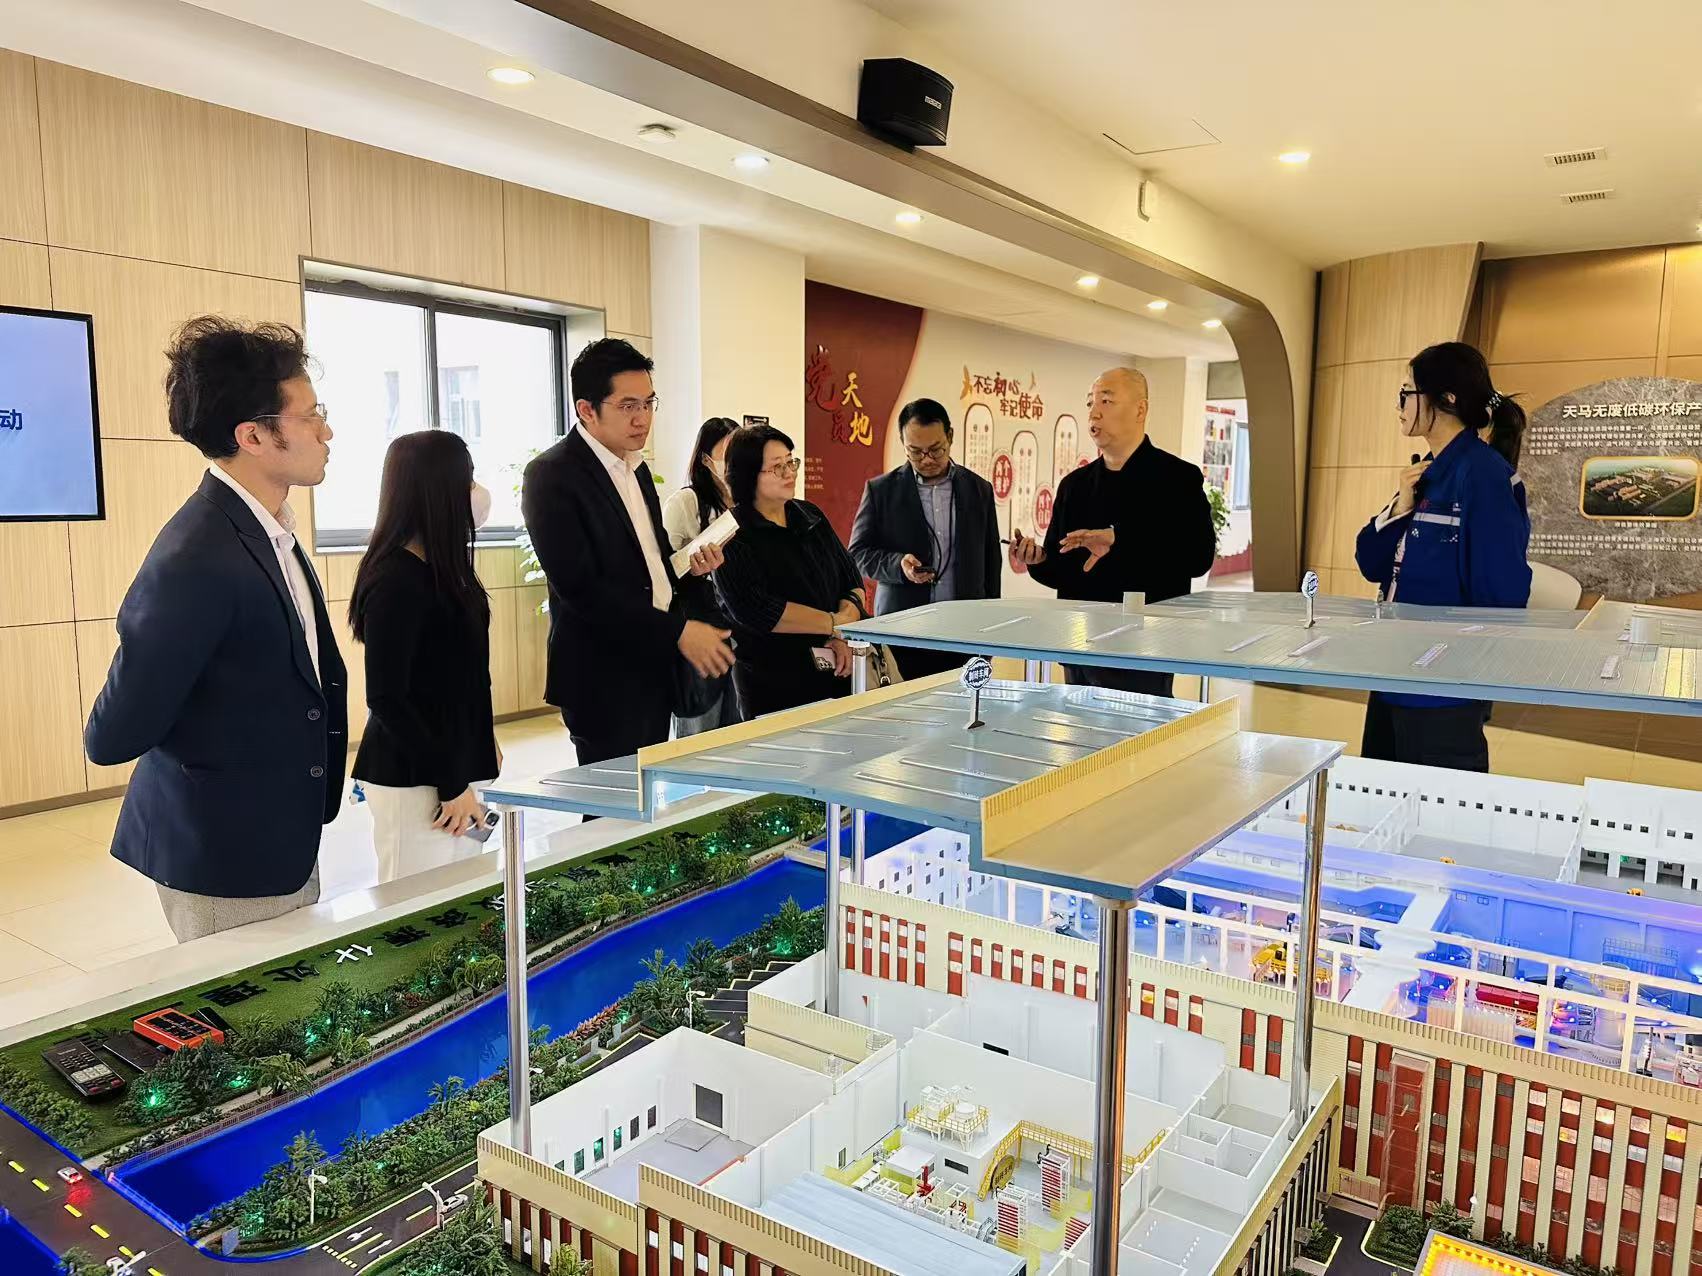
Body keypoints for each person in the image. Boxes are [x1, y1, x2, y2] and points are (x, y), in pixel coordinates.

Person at [84, 317, 346, 942]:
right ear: (253, 435)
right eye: (311, 416)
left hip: (277, 834)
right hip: (222, 850)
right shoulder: (196, 555)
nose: (326, 431)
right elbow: (115, 732)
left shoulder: (267, 530)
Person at [521, 338, 731, 767]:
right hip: (601, 673)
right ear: (586, 409)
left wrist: (690, 569)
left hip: (651, 661)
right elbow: (580, 589)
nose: (643, 418)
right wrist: (678, 631)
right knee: (611, 799)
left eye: (649, 403)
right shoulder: (551, 475)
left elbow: (650, 565)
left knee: (646, 790)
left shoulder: (636, 469)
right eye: (628, 405)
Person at [1355, 341, 1531, 772]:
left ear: (1446, 398)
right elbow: (1370, 562)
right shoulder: (1426, 473)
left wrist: (1465, 668)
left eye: (1406, 393)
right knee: (1378, 798)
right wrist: (1401, 506)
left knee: (1436, 808)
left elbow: (1501, 597)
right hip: (1393, 674)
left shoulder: (1484, 477)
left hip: (1443, 689)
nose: (1399, 406)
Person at [1007, 367, 1215, 697]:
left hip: (1146, 648)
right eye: (1090, 403)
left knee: (1141, 728)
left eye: (1106, 401)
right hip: (1080, 645)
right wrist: (1038, 559)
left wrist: (1119, 539)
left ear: (1140, 410)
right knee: (1079, 725)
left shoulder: (1177, 478)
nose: (1094, 412)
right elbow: (1062, 570)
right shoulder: (1075, 486)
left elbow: (1197, 557)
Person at [348, 431, 500, 882]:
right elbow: (388, 697)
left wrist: (481, 742)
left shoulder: (445, 568)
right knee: (415, 903)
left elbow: (466, 674)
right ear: (438, 490)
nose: (476, 492)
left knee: (462, 894)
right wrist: (451, 782)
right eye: (467, 479)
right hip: (417, 778)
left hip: (456, 766)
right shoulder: (395, 580)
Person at [714, 425, 867, 716]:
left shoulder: (810, 515)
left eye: (790, 462)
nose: (789, 473)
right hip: (774, 680)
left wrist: (840, 632)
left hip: (837, 665)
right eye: (777, 467)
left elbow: (851, 576)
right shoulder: (732, 535)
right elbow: (757, 610)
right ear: (748, 475)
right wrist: (834, 623)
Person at [848, 397, 1001, 678]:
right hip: (902, 631)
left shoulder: (978, 489)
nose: (927, 459)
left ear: (950, 437)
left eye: (936, 450)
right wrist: (898, 565)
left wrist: (989, 632)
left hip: (965, 633)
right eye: (916, 452)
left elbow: (991, 563)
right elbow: (857, 555)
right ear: (903, 443)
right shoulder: (881, 491)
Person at [662, 417, 745, 735]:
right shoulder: (686, 502)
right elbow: (664, 570)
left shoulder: (750, 503)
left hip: (741, 630)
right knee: (699, 729)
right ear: (706, 460)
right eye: (727, 454)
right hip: (700, 629)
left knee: (737, 729)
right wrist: (695, 564)